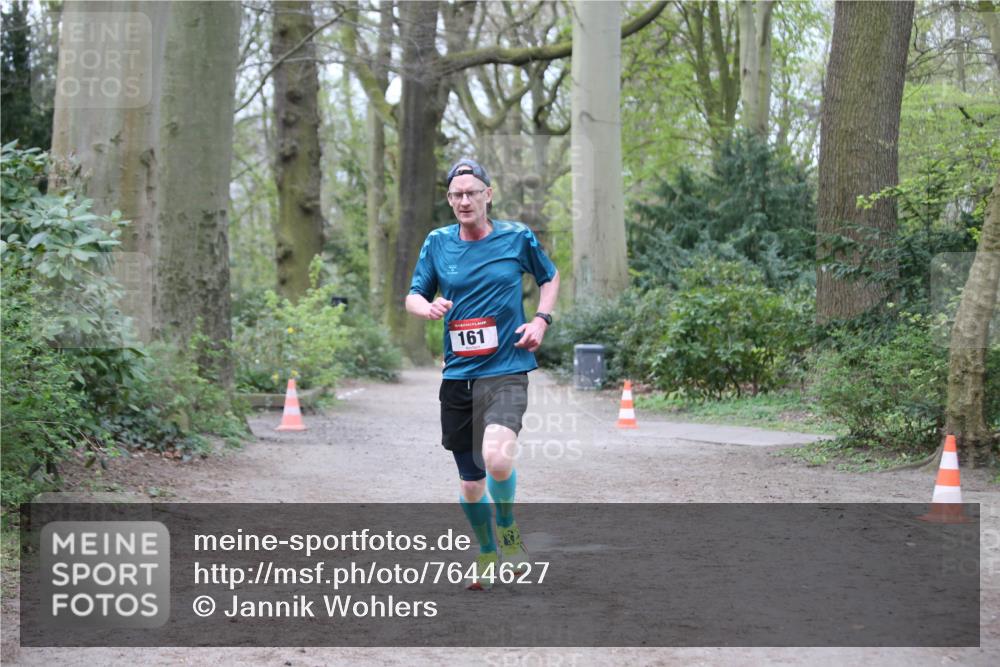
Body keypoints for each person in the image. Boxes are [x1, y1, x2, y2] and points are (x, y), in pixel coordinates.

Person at [405, 158, 560, 591]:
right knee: (472, 484)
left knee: (497, 457)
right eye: (457, 195)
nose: (464, 201)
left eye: (472, 192)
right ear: (449, 199)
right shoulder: (437, 242)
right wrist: (427, 307)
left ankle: (508, 531)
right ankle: (487, 550)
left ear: (488, 195)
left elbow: (549, 277)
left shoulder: (516, 237)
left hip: (507, 368)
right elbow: (413, 295)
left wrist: (541, 320)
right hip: (458, 376)